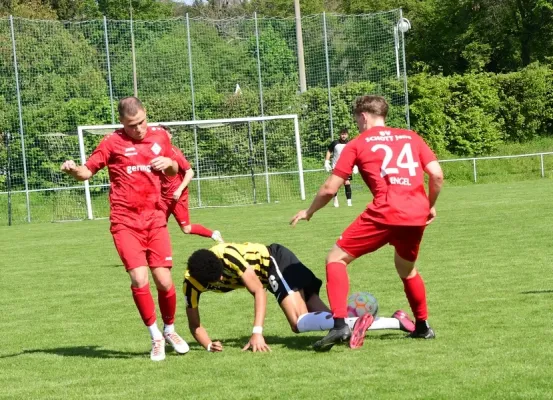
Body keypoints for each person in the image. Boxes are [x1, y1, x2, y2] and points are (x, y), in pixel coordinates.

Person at [291, 95, 444, 352]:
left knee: (335, 259)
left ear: (363, 117)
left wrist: (309, 211)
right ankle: (423, 326)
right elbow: (437, 174)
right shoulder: (411, 137)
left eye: (356, 120)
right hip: (415, 215)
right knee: (407, 270)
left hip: (385, 211)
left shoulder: (358, 143)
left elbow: (330, 188)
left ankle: (339, 324)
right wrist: (428, 204)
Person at [60, 97, 189, 361]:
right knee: (139, 279)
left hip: (155, 219)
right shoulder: (111, 143)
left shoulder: (161, 137)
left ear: (146, 115)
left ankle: (170, 330)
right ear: (122, 122)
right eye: (132, 125)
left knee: (164, 282)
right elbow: (87, 172)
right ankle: (155, 336)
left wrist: (169, 165)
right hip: (125, 222)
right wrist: (72, 170)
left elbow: (177, 169)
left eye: (142, 122)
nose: (139, 129)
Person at [182, 242, 416, 352]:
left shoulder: (227, 255)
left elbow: (258, 291)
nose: (222, 280)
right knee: (334, 327)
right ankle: (397, 320)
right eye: (216, 281)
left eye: (222, 275)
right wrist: (208, 346)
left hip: (275, 262)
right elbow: (195, 325)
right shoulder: (191, 284)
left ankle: (393, 322)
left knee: (298, 323)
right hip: (274, 274)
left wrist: (257, 333)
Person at [158, 125, 223, 243]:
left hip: (177, 198)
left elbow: (190, 172)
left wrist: (179, 190)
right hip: (162, 198)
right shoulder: (155, 152)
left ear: (170, 136)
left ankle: (213, 234)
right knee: (157, 226)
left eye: (165, 134)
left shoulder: (175, 153)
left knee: (186, 229)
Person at [324, 128, 356, 207]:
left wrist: (355, 165)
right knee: (335, 184)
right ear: (340, 135)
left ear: (347, 135)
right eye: (342, 134)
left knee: (347, 182)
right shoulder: (335, 143)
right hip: (336, 166)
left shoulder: (350, 143)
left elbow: (354, 154)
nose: (343, 136)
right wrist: (326, 161)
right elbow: (329, 151)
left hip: (347, 167)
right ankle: (335, 199)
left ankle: (349, 201)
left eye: (345, 134)